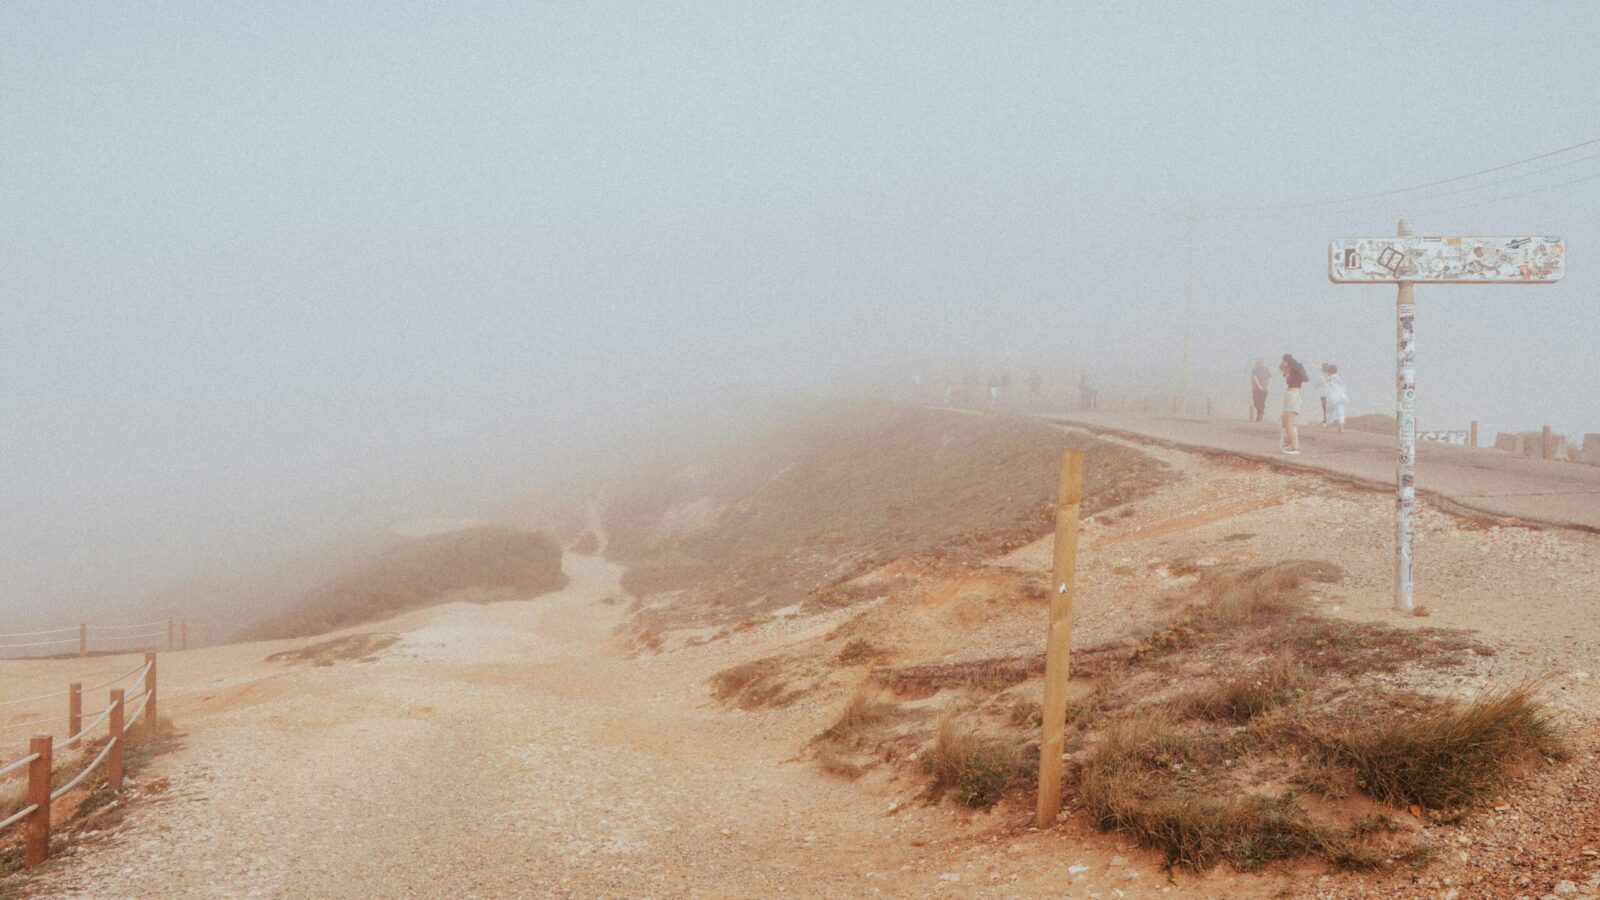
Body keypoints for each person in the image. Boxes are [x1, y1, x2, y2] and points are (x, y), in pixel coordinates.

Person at [1279, 354, 1309, 454]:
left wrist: (1291, 364)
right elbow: (1281, 368)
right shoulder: (1291, 370)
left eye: (1284, 361)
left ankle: (1295, 447)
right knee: (1284, 421)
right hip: (1289, 395)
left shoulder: (1297, 369)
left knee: (1289, 423)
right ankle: (1288, 443)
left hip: (1294, 395)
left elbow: (1305, 378)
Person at [1325, 364, 1348, 433]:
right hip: (1339, 397)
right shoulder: (1338, 378)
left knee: (1329, 413)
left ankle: (1328, 427)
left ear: (1329, 371)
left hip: (1330, 397)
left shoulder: (1327, 379)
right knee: (1341, 413)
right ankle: (1341, 429)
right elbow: (1342, 386)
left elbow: (1326, 389)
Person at [1250, 358, 1270, 422]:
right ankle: (1260, 413)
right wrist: (1265, 387)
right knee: (1259, 402)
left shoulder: (1258, 369)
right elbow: (1270, 378)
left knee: (1258, 402)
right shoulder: (1256, 369)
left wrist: (1262, 387)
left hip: (1259, 389)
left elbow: (1255, 379)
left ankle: (1259, 416)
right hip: (1261, 388)